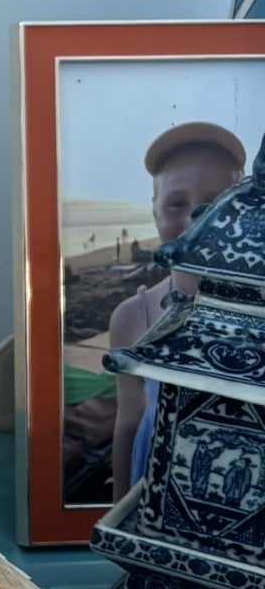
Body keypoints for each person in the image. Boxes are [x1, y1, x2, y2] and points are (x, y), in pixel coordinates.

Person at [109, 122, 248, 500]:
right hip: (152, 502)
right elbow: (127, 424)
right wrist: (115, 516)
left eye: (214, 203)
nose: (193, 220)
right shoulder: (132, 317)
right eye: (176, 204)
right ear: (155, 212)